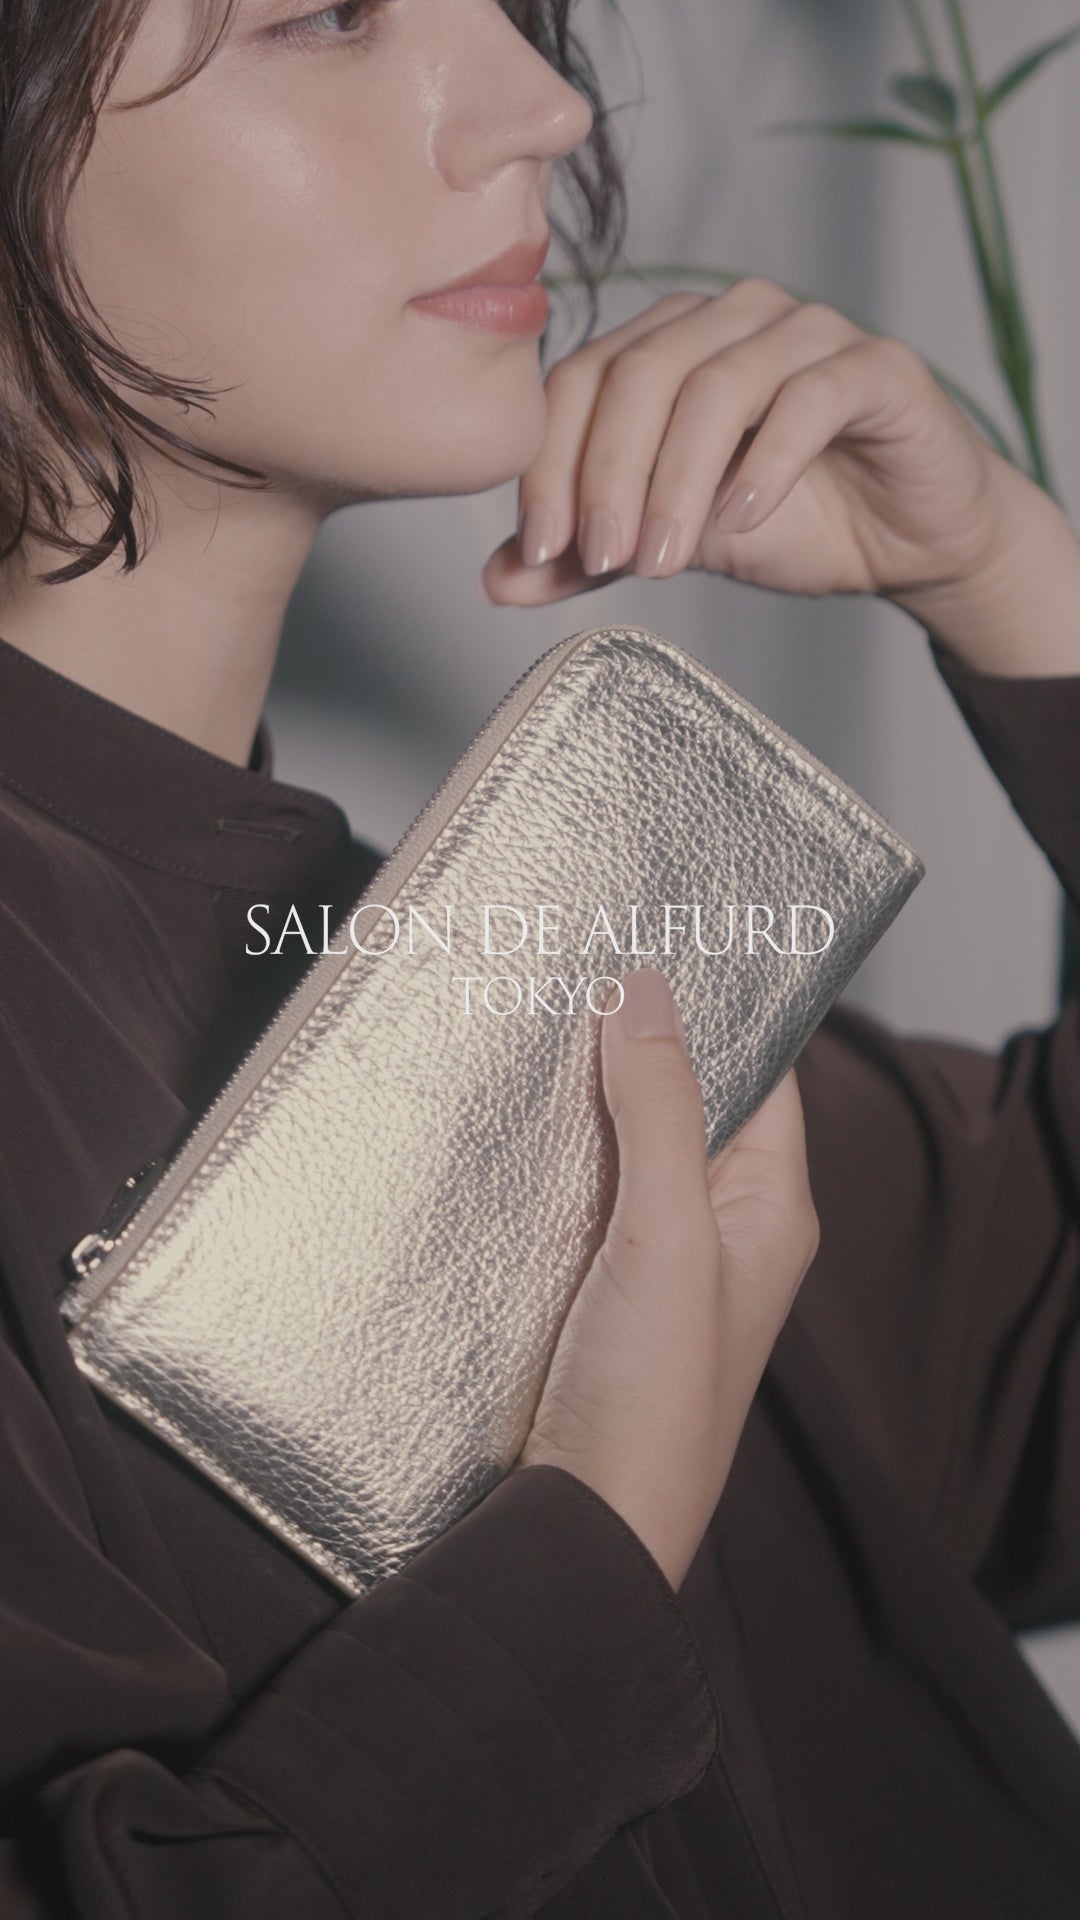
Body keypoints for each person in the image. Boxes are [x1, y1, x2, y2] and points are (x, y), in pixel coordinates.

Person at [0, 1, 1077, 1916]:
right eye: (326, 12)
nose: (545, 102)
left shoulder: (513, 957)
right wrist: (594, 1533)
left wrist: (1022, 587)